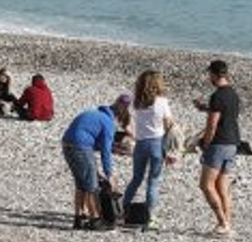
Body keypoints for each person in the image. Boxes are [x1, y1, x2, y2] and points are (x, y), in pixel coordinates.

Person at [61, 94, 128, 230]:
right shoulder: (108, 124)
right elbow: (105, 152)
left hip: (67, 143)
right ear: (119, 117)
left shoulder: (95, 114)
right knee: (92, 186)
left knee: (81, 184)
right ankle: (95, 219)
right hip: (80, 146)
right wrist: (110, 175)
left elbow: (93, 146)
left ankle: (79, 218)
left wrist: (97, 172)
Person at [193, 59, 242, 237]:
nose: (209, 78)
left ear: (214, 74)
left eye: (210, 75)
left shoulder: (217, 96)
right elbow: (225, 114)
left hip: (219, 143)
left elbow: (212, 124)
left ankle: (222, 223)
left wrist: (205, 143)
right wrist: (206, 108)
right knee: (222, 186)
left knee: (206, 185)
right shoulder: (233, 94)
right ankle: (228, 223)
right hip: (233, 143)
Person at [122, 70, 175, 230]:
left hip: (141, 143)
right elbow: (169, 125)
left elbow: (130, 120)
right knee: (153, 181)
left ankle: (125, 209)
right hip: (157, 143)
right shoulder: (162, 102)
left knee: (136, 178)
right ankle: (150, 215)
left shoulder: (137, 103)